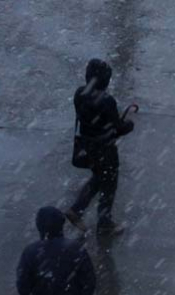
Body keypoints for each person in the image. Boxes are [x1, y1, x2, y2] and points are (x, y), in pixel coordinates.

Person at [66, 58, 135, 236]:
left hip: (87, 145)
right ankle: (104, 223)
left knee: (97, 178)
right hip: (105, 149)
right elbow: (118, 128)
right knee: (109, 185)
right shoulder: (107, 100)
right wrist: (128, 124)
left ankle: (77, 209)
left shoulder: (79, 94)